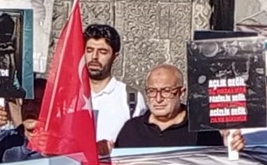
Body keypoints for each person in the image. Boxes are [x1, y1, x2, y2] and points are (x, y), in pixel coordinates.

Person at [114, 65, 223, 149]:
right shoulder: (131, 129)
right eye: (152, 91)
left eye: (166, 91)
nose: (158, 99)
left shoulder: (202, 130)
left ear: (182, 92)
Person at [85, 24, 132, 153]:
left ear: (115, 57)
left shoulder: (130, 98)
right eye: (89, 50)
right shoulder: (67, 97)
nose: (94, 57)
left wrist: (114, 148)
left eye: (102, 52)